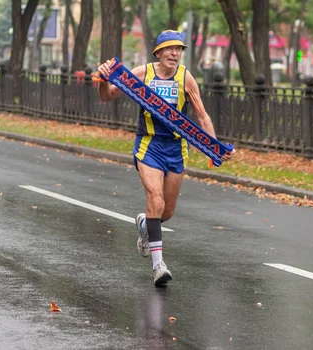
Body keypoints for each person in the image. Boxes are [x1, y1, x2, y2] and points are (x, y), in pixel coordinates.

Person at [96, 30, 235, 285]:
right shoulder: (143, 73)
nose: (174, 53)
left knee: (166, 212)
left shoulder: (186, 78)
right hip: (148, 145)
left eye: (179, 49)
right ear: (158, 53)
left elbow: (202, 116)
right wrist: (103, 80)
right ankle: (158, 266)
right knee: (155, 200)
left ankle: (144, 226)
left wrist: (214, 147)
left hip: (176, 148)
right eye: (169, 49)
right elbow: (108, 95)